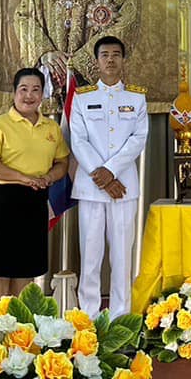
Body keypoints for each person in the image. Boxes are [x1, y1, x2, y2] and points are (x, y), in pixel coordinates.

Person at [0, 67, 70, 299]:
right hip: (3, 198)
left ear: (42, 94)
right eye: (23, 89)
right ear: (14, 93)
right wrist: (23, 178)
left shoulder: (51, 127)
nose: (29, 95)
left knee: (25, 267)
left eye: (36, 90)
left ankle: (19, 327)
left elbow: (62, 163)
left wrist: (48, 177)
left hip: (35, 199)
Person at [71, 36, 149, 316]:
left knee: (121, 257)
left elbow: (138, 139)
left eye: (116, 54)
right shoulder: (82, 97)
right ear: (96, 61)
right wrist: (102, 176)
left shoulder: (137, 97)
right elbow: (78, 141)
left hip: (123, 187)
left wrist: (112, 172)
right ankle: (88, 319)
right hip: (92, 188)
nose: (111, 60)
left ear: (123, 59)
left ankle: (120, 318)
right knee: (90, 256)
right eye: (105, 55)